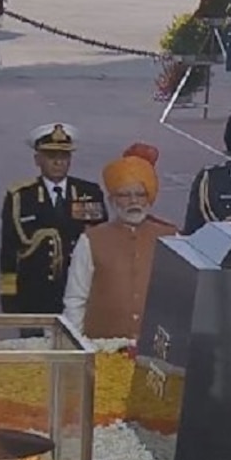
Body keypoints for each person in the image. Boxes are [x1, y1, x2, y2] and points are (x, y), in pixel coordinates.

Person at [63, 144, 177, 341]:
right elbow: (75, 300)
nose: (133, 201)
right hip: (103, 349)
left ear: (149, 198)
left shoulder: (171, 238)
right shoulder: (91, 240)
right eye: (125, 195)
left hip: (155, 351)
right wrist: (75, 347)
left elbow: (180, 298)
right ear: (112, 200)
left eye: (140, 194)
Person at [0, 123, 108, 316]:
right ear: (37, 160)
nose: (58, 163)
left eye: (64, 157)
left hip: (79, 293)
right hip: (34, 297)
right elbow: (9, 250)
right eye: (51, 157)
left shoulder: (89, 193)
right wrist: (9, 298)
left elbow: (102, 244)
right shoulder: (21, 196)